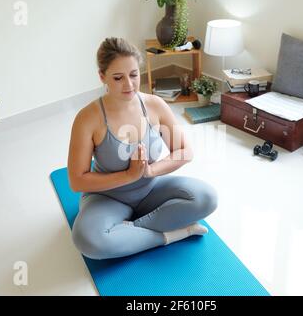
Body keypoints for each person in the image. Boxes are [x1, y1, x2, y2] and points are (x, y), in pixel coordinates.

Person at [67, 37, 218, 260]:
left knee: (207, 197)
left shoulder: (154, 105)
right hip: (107, 198)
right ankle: (171, 235)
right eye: (118, 78)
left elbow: (184, 151)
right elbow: (77, 181)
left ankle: (129, 231)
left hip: (150, 189)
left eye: (134, 75)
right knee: (87, 240)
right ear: (102, 77)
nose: (128, 85)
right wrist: (128, 175)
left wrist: (150, 172)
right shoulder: (87, 118)